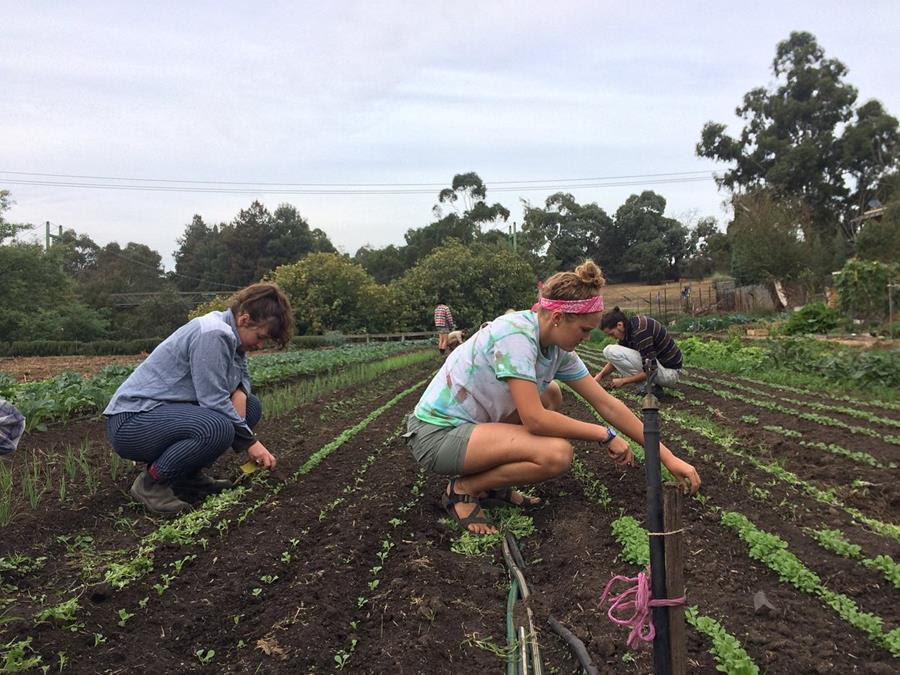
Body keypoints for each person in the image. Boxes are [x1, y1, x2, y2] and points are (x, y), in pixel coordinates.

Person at [405, 261, 700, 536]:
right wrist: (604, 435)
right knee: (556, 454)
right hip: (437, 434)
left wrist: (669, 458)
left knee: (551, 392)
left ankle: (490, 486)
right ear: (558, 317)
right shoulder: (516, 336)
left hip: (474, 429)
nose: (587, 338)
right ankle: (464, 488)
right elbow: (535, 420)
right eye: (584, 329)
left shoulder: (558, 350)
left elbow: (607, 403)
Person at [104, 283, 293, 514]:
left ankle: (187, 477)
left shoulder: (233, 338)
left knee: (250, 407)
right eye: (260, 336)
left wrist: (241, 392)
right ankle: (151, 483)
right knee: (217, 427)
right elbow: (213, 400)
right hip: (133, 422)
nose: (260, 345)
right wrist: (251, 444)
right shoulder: (213, 334)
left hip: (164, 413)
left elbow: (242, 375)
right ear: (244, 319)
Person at [594, 307, 683, 389]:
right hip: (663, 370)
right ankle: (649, 388)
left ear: (619, 325)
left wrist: (623, 381)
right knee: (611, 352)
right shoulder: (629, 330)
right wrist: (600, 376)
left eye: (612, 334)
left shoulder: (641, 331)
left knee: (609, 350)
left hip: (670, 374)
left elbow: (651, 369)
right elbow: (615, 360)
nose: (612, 337)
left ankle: (648, 388)